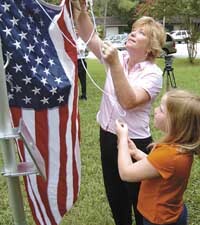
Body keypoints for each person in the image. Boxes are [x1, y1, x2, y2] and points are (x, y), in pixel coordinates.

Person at [72, 1, 166, 225]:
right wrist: (81, 10)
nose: (133, 33)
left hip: (135, 143)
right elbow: (89, 35)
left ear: (151, 46)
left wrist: (113, 64)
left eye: (141, 33)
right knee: (116, 198)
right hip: (107, 137)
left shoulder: (153, 74)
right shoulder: (120, 58)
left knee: (140, 200)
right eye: (133, 29)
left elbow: (129, 101)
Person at [116, 89, 200, 225]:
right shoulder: (179, 149)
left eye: (161, 110)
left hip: (159, 219)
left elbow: (126, 173)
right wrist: (137, 153)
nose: (155, 110)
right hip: (173, 213)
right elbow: (158, 167)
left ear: (175, 122)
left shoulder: (169, 155)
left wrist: (122, 139)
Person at [77, 36, 87, 100]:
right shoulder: (72, 38)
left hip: (81, 61)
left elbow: (81, 50)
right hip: (73, 61)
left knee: (82, 79)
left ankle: (84, 95)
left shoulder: (81, 40)